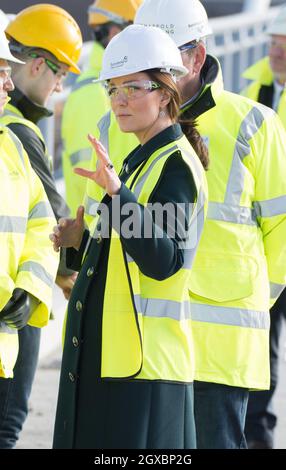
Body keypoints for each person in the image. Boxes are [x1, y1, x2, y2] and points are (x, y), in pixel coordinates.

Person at [86, 0, 286, 448]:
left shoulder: (254, 123)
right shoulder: (116, 119)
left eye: (164, 60)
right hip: (137, 347)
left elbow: (283, 232)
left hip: (217, 352)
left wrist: (252, 301)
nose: (150, 71)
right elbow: (97, 221)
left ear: (196, 57)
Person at [51, 24, 208, 449]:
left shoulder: (175, 166)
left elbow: (162, 260)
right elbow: (126, 252)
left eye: (132, 88)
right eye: (113, 89)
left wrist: (118, 195)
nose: (119, 101)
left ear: (165, 91)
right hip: (116, 365)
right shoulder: (140, 161)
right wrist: (79, 243)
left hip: (143, 375)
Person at [0, 4, 82, 448]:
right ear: (37, 65)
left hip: (13, 290)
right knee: (8, 424)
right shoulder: (18, 134)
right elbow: (49, 221)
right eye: (59, 74)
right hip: (17, 301)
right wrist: (74, 276)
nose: (59, 86)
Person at [0, 25, 59, 447]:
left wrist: (32, 286)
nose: (9, 82)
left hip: (8, 326)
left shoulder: (11, 146)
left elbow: (42, 223)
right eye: (0, 70)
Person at [241, 6, 286, 449]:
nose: (277, 55)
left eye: (284, 49)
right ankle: (257, 429)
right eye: (274, 47)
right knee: (265, 336)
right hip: (269, 233)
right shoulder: (255, 86)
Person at [62, 0, 142, 217]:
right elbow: (86, 180)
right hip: (102, 231)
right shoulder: (95, 93)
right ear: (117, 32)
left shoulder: (103, 86)